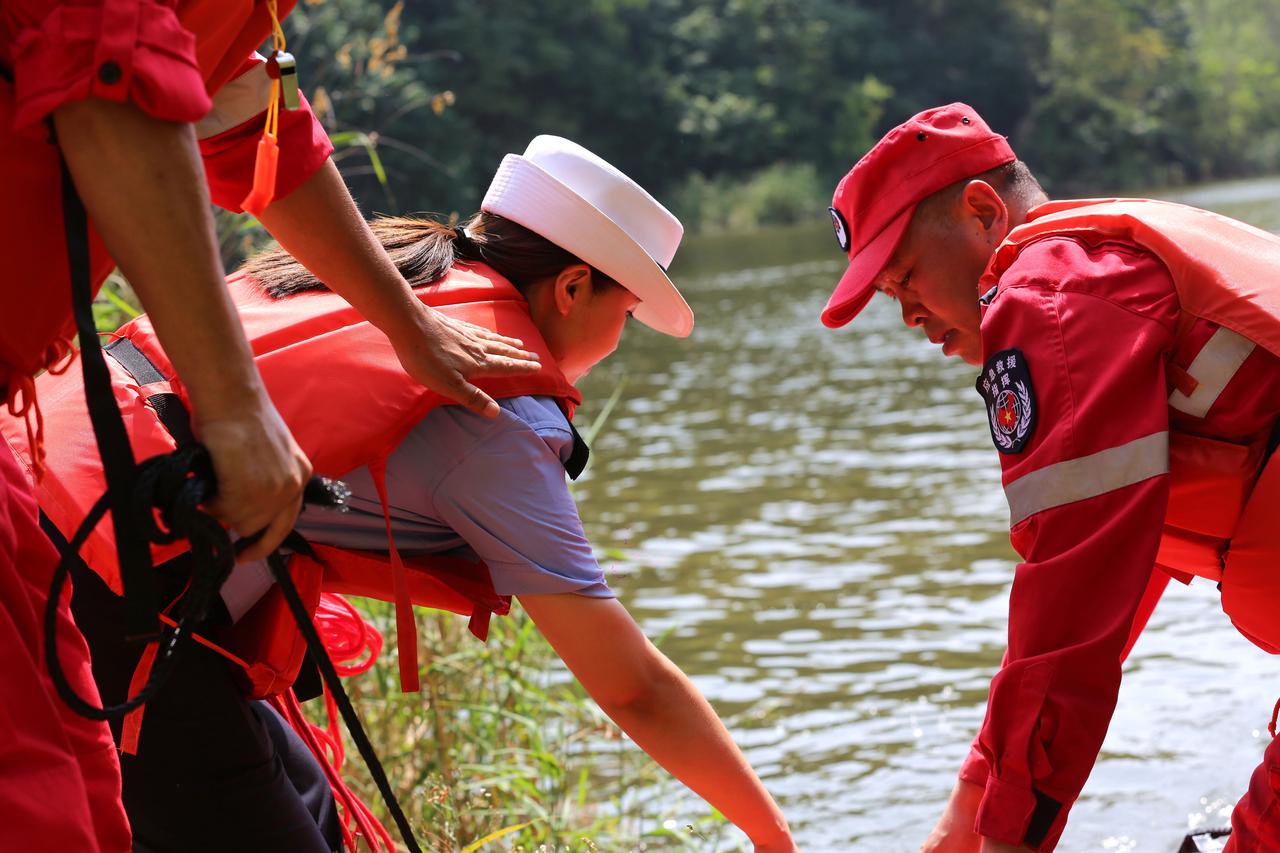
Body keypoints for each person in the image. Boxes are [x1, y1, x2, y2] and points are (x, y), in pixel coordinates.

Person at [17, 135, 797, 852]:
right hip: (94, 590)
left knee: (308, 801)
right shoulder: (499, 417)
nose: (620, 335)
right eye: (624, 312)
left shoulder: (392, 274)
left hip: (43, 494)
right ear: (571, 286)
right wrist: (774, 837)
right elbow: (635, 688)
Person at [0, 1, 539, 849]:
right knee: (41, 807)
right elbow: (111, 91)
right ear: (579, 289)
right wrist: (236, 408)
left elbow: (254, 123)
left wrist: (407, 321)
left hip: (32, 467)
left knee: (81, 790)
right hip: (84, 509)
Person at [820, 103, 1280, 852]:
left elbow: (1069, 608)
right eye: (886, 297)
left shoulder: (1047, 292)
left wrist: (1005, 840)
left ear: (980, 211)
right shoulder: (1107, 260)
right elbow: (1089, 598)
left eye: (904, 276)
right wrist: (965, 819)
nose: (906, 314)